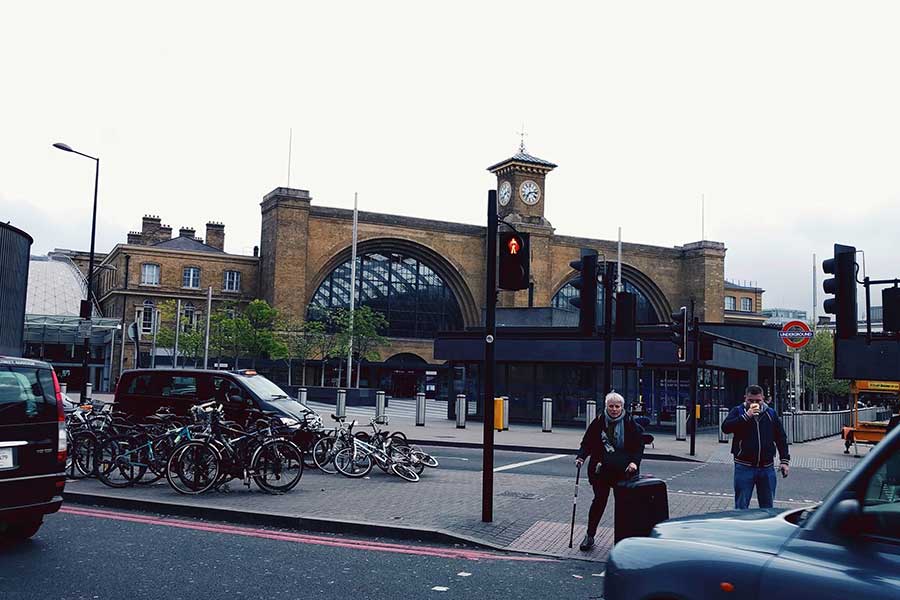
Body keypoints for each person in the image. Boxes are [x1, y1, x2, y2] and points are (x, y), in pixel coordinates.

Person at [574, 392, 645, 551]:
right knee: (599, 501)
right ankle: (590, 535)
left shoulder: (629, 422)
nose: (614, 409)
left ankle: (623, 539)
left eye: (617, 406)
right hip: (601, 470)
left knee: (624, 506)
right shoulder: (599, 421)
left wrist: (634, 462)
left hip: (624, 470)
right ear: (606, 406)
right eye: (611, 406)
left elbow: (639, 445)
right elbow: (587, 442)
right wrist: (581, 457)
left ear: (622, 407)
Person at [721, 385, 790, 509]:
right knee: (741, 505)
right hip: (744, 466)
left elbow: (781, 437)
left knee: (767, 506)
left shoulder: (770, 413)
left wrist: (784, 460)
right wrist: (746, 416)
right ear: (745, 398)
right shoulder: (738, 411)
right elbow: (725, 428)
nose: (754, 403)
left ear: (763, 399)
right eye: (750, 401)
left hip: (767, 467)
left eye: (758, 401)